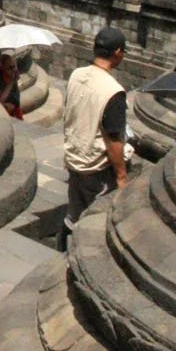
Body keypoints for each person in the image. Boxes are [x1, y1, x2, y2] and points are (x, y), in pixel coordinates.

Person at [61, 24, 129, 245]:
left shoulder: (76, 75)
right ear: (117, 53)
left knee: (74, 211)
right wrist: (121, 176)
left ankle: (63, 245)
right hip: (96, 167)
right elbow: (113, 140)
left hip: (73, 157)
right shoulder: (113, 91)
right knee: (95, 218)